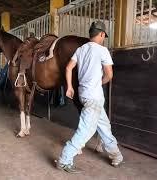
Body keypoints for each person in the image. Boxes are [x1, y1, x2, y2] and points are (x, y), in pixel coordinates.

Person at [55, 21, 123, 173]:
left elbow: (68, 68)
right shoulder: (102, 50)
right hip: (94, 97)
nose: (104, 37)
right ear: (101, 34)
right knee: (86, 130)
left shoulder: (80, 50)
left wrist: (70, 87)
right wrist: (99, 83)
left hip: (83, 94)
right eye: (104, 35)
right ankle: (64, 159)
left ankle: (116, 155)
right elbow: (109, 75)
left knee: (104, 126)